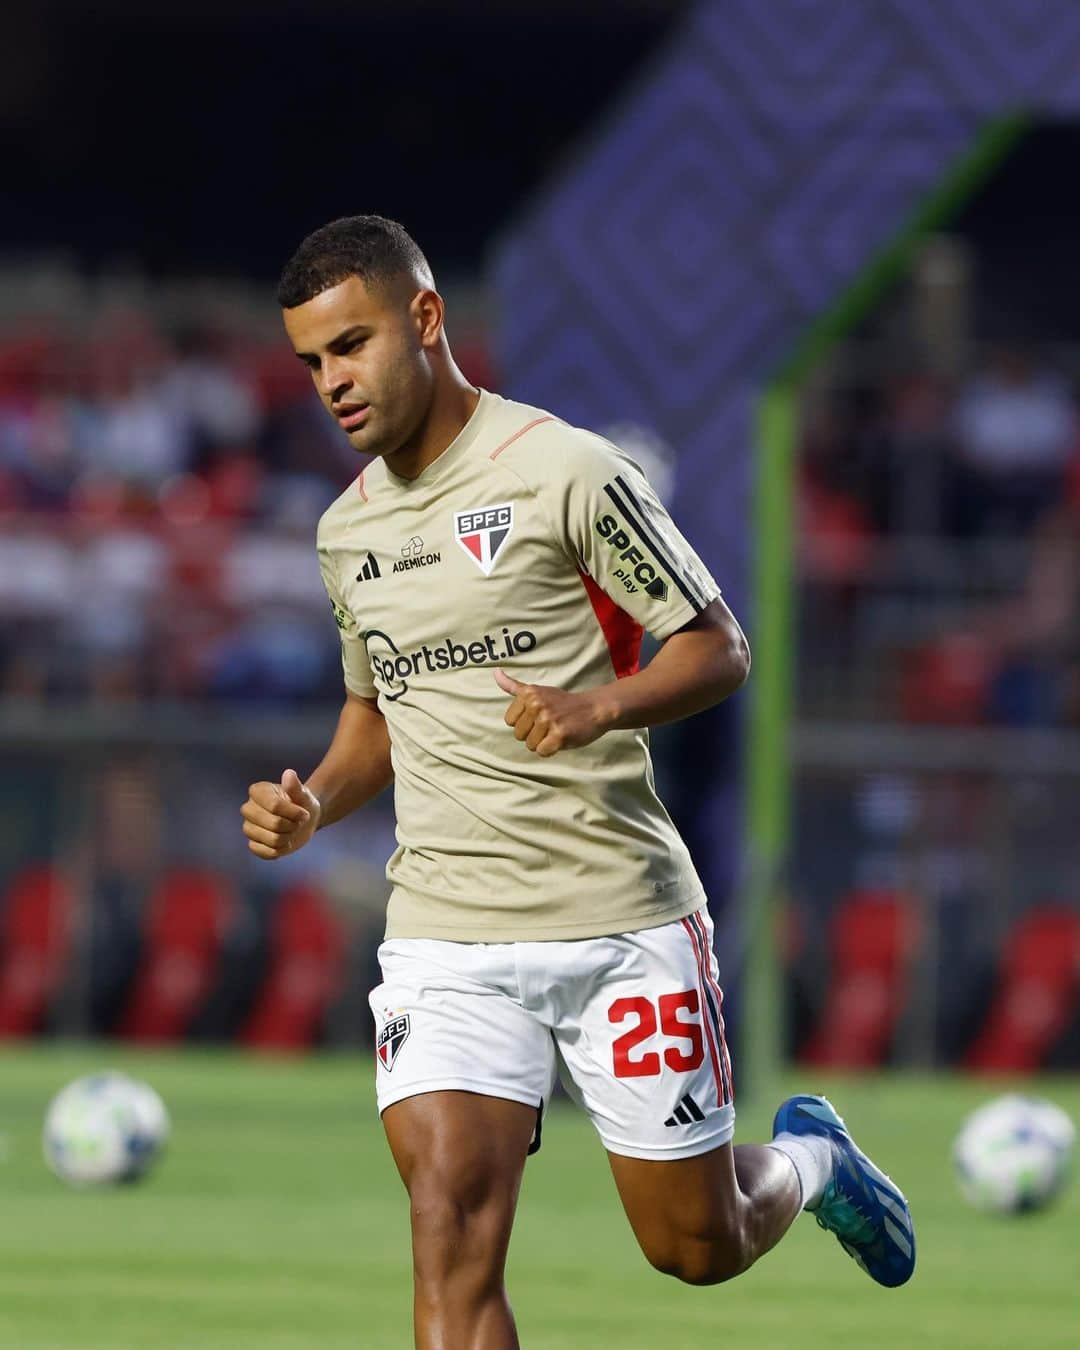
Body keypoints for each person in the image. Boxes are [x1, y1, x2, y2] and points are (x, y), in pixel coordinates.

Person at [240, 216, 915, 1348]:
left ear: (425, 318)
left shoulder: (567, 470)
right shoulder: (345, 531)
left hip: (616, 918)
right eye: (312, 363)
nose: (333, 383)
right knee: (448, 1238)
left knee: (694, 1246)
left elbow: (718, 646)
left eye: (351, 346)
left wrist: (597, 704)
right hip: (447, 939)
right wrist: (314, 798)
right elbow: (377, 714)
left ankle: (812, 1159)